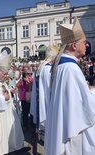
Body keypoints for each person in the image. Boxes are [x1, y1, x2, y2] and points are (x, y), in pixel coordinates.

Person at [45, 17, 95, 155]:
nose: (86, 45)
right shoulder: (71, 68)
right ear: (74, 45)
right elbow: (81, 106)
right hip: (71, 128)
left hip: (62, 124)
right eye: (84, 42)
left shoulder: (61, 65)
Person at [0, 48, 26, 153]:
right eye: (4, 74)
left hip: (7, 112)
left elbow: (5, 92)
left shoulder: (1, 80)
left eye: (6, 74)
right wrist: (3, 98)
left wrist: (11, 92)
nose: (6, 76)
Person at [30, 45, 59, 141]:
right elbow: (49, 89)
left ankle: (43, 136)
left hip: (41, 100)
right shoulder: (47, 69)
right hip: (47, 101)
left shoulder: (40, 66)